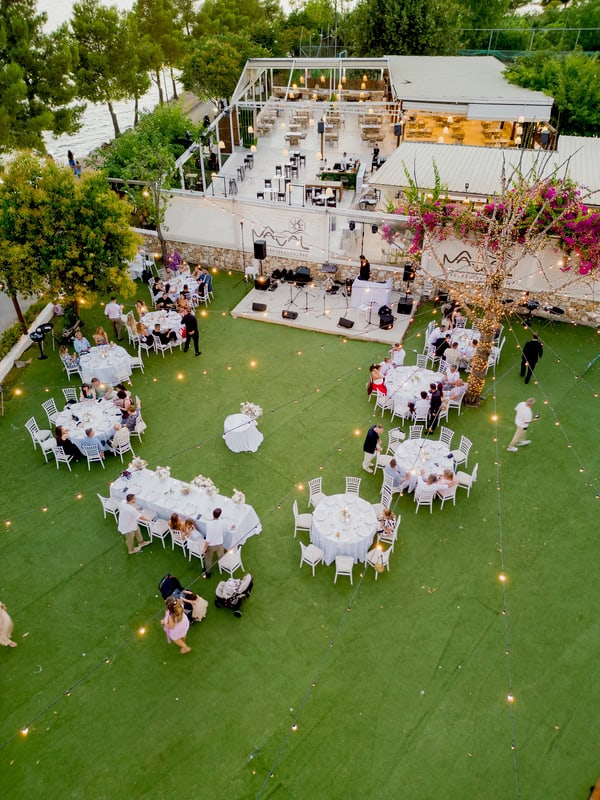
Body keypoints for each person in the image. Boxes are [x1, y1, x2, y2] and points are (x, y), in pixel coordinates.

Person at [202, 508, 225, 578]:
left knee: (208, 559)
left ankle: (208, 573)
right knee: (221, 557)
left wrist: (204, 548)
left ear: (213, 514)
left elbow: (208, 538)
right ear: (220, 515)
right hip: (220, 544)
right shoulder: (222, 522)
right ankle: (222, 567)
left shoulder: (209, 524)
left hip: (211, 545)